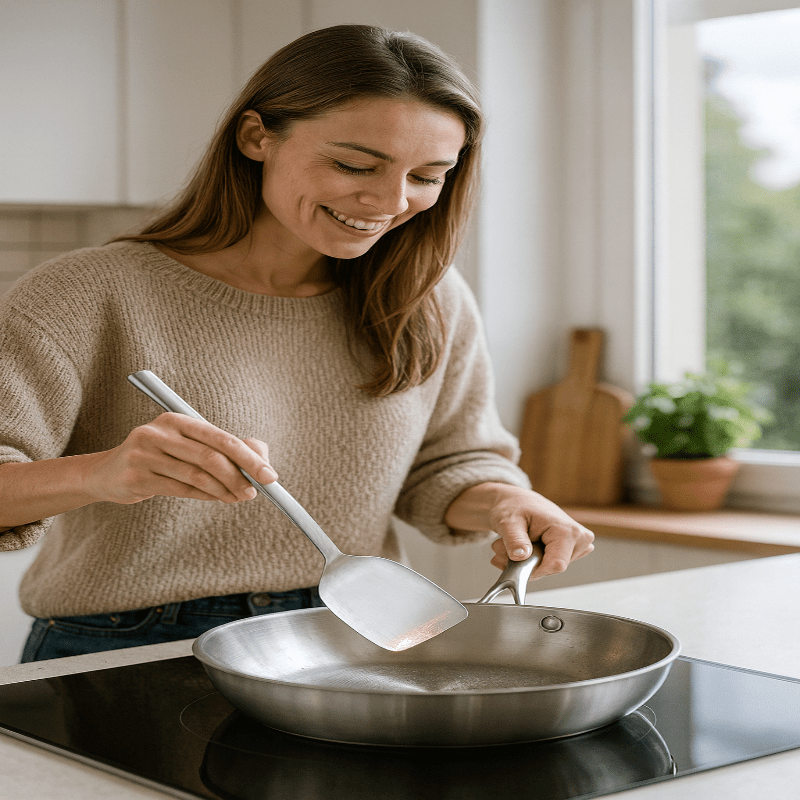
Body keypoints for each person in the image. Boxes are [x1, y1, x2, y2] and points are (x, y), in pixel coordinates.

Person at [0, 24, 594, 663]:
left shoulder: (428, 298)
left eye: (427, 175)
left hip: (344, 640)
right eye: (354, 164)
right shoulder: (84, 292)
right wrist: (106, 472)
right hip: (123, 645)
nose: (389, 202)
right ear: (256, 136)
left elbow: (447, 467)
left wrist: (508, 501)